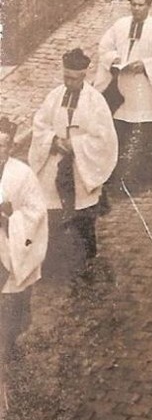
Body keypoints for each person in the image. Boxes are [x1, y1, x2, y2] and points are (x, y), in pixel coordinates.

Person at [28, 48, 118, 279]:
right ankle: (54, 261)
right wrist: (54, 140)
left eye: (74, 78)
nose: (68, 82)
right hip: (54, 162)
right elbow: (40, 124)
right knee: (53, 212)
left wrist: (76, 145)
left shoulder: (95, 101)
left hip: (81, 166)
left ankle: (87, 258)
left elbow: (103, 137)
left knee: (84, 214)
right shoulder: (55, 96)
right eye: (65, 77)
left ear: (84, 76)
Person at [95, 0, 152, 194]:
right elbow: (104, 47)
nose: (137, 9)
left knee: (143, 130)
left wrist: (146, 64)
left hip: (143, 88)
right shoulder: (120, 25)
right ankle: (118, 175)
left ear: (149, 6)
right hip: (123, 85)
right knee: (120, 129)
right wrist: (113, 59)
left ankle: (145, 174)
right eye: (134, 4)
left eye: (141, 5)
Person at [1, 118, 49, 369]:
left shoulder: (21, 175)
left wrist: (9, 219)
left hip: (13, 248)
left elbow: (36, 212)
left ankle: (11, 345)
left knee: (13, 305)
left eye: (2, 146)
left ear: (9, 148)